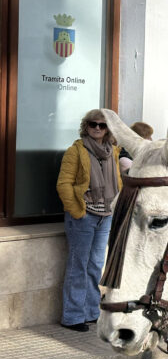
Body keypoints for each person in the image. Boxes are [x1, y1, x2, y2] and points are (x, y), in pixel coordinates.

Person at [56, 109, 122, 332]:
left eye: (102, 125)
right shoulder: (76, 151)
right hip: (84, 217)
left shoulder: (112, 151)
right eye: (93, 124)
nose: (97, 128)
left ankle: (91, 312)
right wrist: (77, 211)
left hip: (106, 216)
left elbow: (119, 181)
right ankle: (73, 316)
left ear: (107, 129)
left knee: (95, 266)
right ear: (86, 126)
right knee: (78, 265)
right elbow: (63, 184)